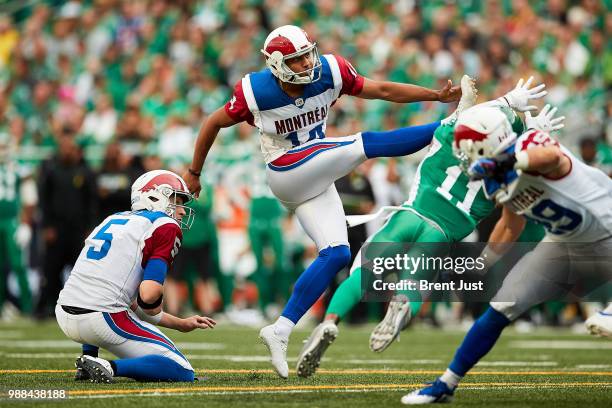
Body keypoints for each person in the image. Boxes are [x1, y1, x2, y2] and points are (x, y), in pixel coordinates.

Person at [183, 24, 465, 378]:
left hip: (316, 175)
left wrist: (432, 95)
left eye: (306, 56)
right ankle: (451, 127)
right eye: (297, 60)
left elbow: (382, 89)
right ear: (276, 63)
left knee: (337, 254)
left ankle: (281, 329)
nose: (306, 64)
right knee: (366, 143)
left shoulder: (330, 71)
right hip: (286, 170)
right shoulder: (256, 91)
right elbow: (212, 122)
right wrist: (195, 172)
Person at [296, 78, 552, 378]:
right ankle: (402, 306)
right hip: (440, 233)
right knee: (413, 285)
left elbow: (466, 119)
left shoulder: (446, 139)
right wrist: (533, 134)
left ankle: (330, 320)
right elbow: (514, 166)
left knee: (363, 273)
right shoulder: (506, 177)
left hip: (410, 215)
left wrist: (505, 101)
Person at [401, 103, 612, 404]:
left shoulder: (530, 143)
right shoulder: (493, 180)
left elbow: (552, 158)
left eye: (467, 147)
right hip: (563, 242)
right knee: (502, 305)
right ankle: (446, 383)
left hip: (608, 230)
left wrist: (511, 160)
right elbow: (510, 225)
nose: (464, 155)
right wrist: (481, 264)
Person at [55, 170, 216, 383]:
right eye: (176, 201)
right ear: (156, 196)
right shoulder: (164, 225)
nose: (182, 211)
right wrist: (149, 299)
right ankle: (109, 367)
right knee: (181, 369)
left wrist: (180, 323)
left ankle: (89, 357)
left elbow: (130, 302)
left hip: (64, 312)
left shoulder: (113, 219)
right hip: (101, 319)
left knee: (103, 295)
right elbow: (149, 296)